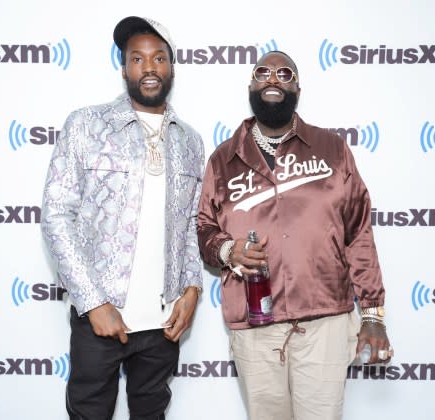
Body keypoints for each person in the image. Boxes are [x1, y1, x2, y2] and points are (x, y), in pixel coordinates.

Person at [196, 50, 392, 420]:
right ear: (250, 86)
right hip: (255, 326)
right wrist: (227, 251)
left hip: (324, 323)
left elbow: (359, 234)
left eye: (284, 73)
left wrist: (373, 315)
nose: (273, 79)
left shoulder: (332, 149)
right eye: (263, 72)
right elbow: (205, 228)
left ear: (298, 89)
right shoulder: (223, 160)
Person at [41, 16, 204, 420]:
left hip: (162, 323)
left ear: (171, 66)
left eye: (159, 58)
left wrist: (192, 289)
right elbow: (57, 215)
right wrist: (94, 303)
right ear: (124, 68)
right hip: (101, 318)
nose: (149, 68)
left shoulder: (190, 140)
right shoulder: (86, 125)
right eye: (137, 59)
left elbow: (189, 228)